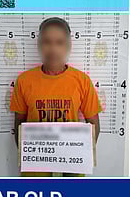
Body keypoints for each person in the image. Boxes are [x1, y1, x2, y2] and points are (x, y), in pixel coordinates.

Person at [10, 17, 101, 177]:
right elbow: (19, 124)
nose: (53, 49)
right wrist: (29, 155)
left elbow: (94, 124)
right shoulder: (24, 80)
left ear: (68, 46)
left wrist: (81, 155)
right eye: (47, 42)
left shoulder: (82, 80)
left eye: (59, 42)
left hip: (72, 163)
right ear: (38, 44)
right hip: (36, 165)